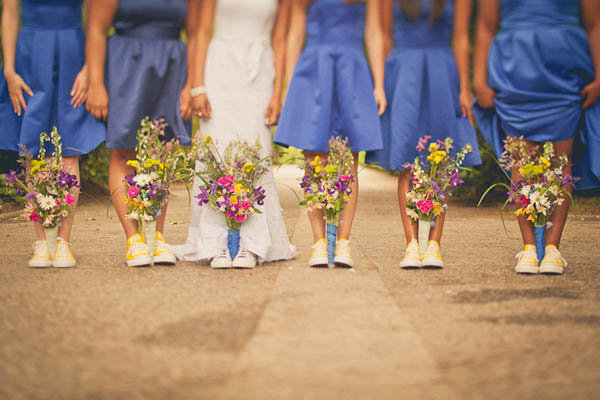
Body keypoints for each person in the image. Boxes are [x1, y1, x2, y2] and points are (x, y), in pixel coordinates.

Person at [473, 0, 600, 274]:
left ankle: (553, 249)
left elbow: (594, 23)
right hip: (514, 67)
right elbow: (485, 25)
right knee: (520, 160)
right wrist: (479, 81)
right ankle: (529, 248)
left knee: (560, 161)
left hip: (564, 67)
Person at [172, 0, 296, 268]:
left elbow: (281, 38)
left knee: (256, 148)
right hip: (219, 68)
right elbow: (202, 31)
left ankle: (251, 245)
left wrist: (277, 93)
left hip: (260, 70)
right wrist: (197, 87)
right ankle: (215, 242)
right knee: (216, 145)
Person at [365, 0, 481, 269]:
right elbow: (383, 37)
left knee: (441, 162)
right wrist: (382, 85)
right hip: (402, 72)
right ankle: (411, 244)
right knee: (408, 160)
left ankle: (434, 245)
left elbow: (461, 38)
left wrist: (465, 88)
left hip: (443, 72)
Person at [274, 0, 386, 268]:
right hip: (314, 69)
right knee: (315, 161)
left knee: (349, 161)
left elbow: (373, 31)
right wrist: (292, 85)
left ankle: (344, 243)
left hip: (353, 69)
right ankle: (319, 243)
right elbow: (295, 33)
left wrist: (379, 84)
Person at [86, 0, 198, 267]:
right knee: (124, 147)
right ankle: (134, 239)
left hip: (171, 65)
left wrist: (191, 85)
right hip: (126, 62)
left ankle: (157, 236)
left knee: (163, 150)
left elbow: (195, 34)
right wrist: (96, 84)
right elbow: (96, 30)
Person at [0, 0, 106, 268]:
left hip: (73, 53)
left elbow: (97, 18)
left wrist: (89, 70)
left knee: (69, 150)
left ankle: (62, 243)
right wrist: (9, 70)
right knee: (34, 151)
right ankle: (41, 241)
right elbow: (10, 13)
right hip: (30, 55)